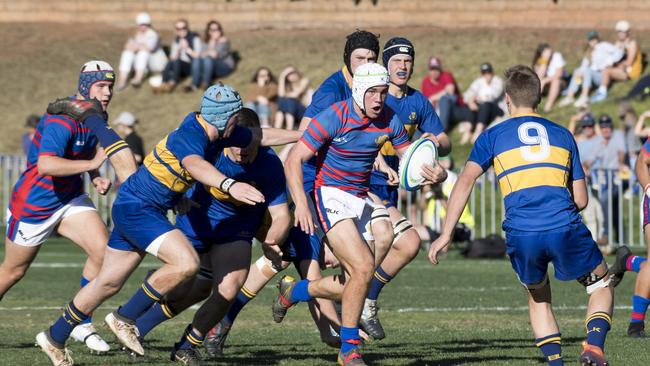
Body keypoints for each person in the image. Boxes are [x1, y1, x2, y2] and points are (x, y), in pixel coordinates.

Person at [35, 84, 302, 366]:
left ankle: (54, 337)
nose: (239, 125)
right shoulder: (192, 133)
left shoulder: (220, 131)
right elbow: (196, 165)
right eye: (236, 116)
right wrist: (229, 185)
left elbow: (260, 136)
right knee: (185, 263)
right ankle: (124, 318)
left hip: (139, 205)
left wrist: (309, 136)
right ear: (225, 118)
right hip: (140, 207)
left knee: (108, 282)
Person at [428, 64, 614, 366]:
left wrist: (446, 234)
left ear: (507, 99)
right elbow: (580, 200)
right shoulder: (563, 135)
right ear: (539, 98)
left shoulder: (492, 136)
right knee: (600, 286)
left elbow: (464, 181)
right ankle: (593, 347)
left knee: (539, 297)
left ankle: (556, 362)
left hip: (522, 232)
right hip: (564, 226)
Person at [277, 63, 446, 366]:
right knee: (364, 268)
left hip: (361, 195)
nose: (379, 99)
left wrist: (436, 173)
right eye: (373, 93)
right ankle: (349, 349)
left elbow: (410, 159)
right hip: (330, 195)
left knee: (353, 280)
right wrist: (301, 204)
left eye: (383, 92)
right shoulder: (334, 116)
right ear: (358, 91)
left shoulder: (389, 120)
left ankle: (295, 290)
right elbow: (294, 158)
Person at [123, 108, 291, 364]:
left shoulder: (269, 163)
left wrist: (271, 240)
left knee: (229, 288)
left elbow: (281, 215)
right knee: (188, 288)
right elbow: (177, 171)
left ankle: (188, 345)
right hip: (197, 220)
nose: (241, 152)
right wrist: (177, 198)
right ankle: (139, 323)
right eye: (236, 147)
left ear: (257, 138)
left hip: (236, 228)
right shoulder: (212, 150)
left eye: (247, 147)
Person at [0, 61, 132, 355]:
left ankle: (82, 321)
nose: (108, 92)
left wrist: (95, 177)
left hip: (69, 198)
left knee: (105, 252)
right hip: (35, 203)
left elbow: (83, 152)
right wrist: (93, 165)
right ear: (86, 87)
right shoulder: (63, 118)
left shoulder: (97, 114)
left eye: (110, 86)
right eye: (101, 86)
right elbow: (47, 165)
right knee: (12, 271)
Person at [360, 37, 450, 340]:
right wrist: (376, 159)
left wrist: (432, 149)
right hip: (361, 182)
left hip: (390, 186)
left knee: (369, 259)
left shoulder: (417, 102)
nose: (403, 66)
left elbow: (444, 140)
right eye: (397, 60)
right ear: (385, 63)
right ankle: (364, 305)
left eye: (408, 61)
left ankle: (297, 293)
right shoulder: (373, 96)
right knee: (406, 244)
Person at [559, 31, 623, 108]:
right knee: (577, 71)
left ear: (597, 39)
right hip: (591, 76)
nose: (593, 41)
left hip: (602, 76)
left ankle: (584, 96)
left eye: (594, 39)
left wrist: (610, 62)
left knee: (587, 70)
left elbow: (619, 52)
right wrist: (580, 73)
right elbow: (584, 65)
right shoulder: (589, 52)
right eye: (590, 40)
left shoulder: (604, 46)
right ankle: (570, 95)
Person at [591, 20, 643, 103]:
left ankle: (602, 93)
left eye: (622, 32)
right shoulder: (618, 43)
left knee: (607, 71)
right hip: (622, 69)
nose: (620, 34)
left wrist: (616, 65)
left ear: (627, 32)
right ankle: (597, 89)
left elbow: (629, 62)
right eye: (619, 32)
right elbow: (613, 58)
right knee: (605, 69)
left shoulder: (632, 44)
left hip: (631, 72)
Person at [116, 12, 167, 91]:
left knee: (143, 53)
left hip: (153, 62)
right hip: (141, 62)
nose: (143, 26)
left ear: (149, 24)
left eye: (145, 24)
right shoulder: (135, 33)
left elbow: (149, 48)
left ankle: (138, 79)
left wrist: (136, 47)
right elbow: (127, 46)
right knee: (127, 54)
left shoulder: (152, 34)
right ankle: (122, 81)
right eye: (141, 24)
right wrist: (136, 47)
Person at [420, 56, 471, 132]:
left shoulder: (446, 75)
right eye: (432, 69)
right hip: (437, 112)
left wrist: (434, 98)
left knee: (444, 100)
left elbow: (450, 90)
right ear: (429, 70)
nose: (434, 72)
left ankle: (441, 130)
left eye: (436, 69)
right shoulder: (425, 81)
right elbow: (426, 101)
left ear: (440, 69)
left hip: (456, 109)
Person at [155, 19, 202, 93]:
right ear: (176, 30)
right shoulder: (176, 41)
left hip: (192, 66)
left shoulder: (194, 38)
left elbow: (198, 56)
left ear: (187, 28)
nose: (181, 30)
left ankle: (172, 83)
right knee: (173, 61)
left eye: (184, 28)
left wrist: (187, 48)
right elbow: (172, 58)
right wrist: (178, 49)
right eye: (179, 29)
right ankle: (164, 82)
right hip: (180, 66)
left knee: (176, 61)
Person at [463, 62, 505, 144]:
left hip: (496, 109)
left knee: (485, 105)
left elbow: (493, 96)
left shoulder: (497, 81)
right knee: (472, 105)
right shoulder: (479, 82)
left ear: (492, 72)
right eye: (484, 73)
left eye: (488, 72)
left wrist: (476, 98)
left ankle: (478, 131)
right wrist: (470, 101)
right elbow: (467, 94)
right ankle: (468, 131)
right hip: (482, 108)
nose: (486, 75)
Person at [196, 20, 236, 90]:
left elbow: (214, 54)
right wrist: (212, 41)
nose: (216, 31)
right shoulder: (205, 42)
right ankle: (195, 84)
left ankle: (206, 83)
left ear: (220, 30)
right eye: (213, 30)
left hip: (225, 66)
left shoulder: (224, 41)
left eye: (217, 29)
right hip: (211, 67)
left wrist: (213, 41)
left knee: (208, 58)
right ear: (209, 31)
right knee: (198, 60)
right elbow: (201, 55)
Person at [532, 43, 566, 112]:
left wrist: (545, 80)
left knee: (556, 80)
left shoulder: (557, 56)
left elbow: (559, 74)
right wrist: (545, 61)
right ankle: (533, 104)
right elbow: (539, 77)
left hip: (560, 83)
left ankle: (548, 105)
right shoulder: (540, 60)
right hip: (545, 85)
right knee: (539, 80)